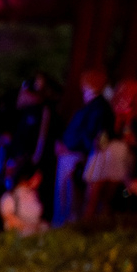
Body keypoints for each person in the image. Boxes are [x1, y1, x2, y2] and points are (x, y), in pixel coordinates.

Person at [54, 75, 113, 224]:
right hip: (73, 154)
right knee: (66, 196)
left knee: (69, 196)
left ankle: (65, 225)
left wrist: (69, 147)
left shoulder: (98, 108)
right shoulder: (94, 107)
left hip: (76, 157)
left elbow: (92, 136)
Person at [0, 165, 47, 236]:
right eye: (36, 177)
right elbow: (10, 219)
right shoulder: (10, 197)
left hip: (37, 236)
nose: (39, 180)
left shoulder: (35, 195)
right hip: (20, 238)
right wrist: (30, 228)